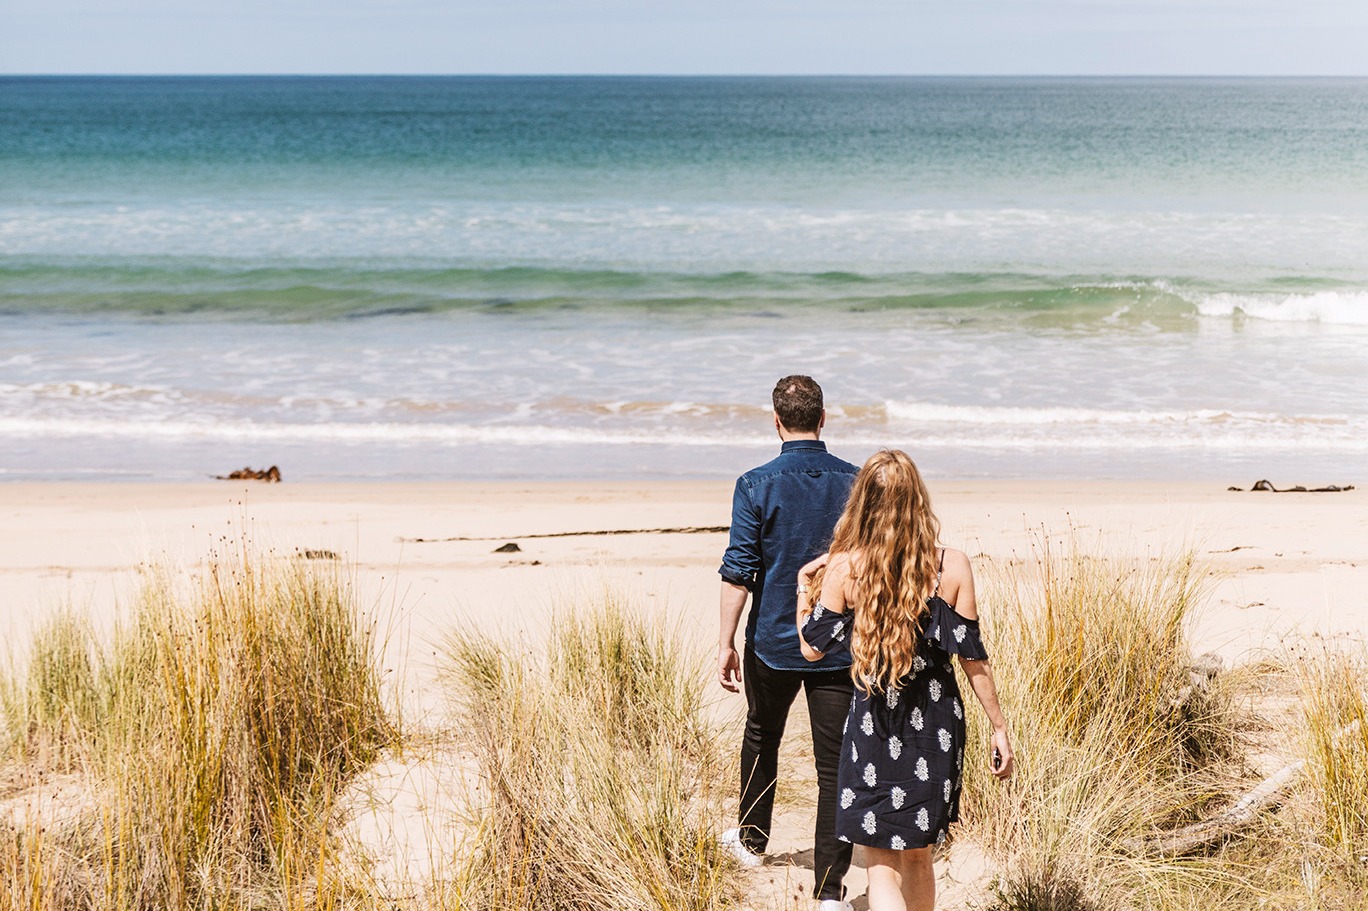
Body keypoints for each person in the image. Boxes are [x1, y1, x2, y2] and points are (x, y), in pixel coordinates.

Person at [796, 449, 1014, 911]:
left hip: (874, 725)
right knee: (919, 856)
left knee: (880, 863)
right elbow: (972, 658)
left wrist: (802, 584)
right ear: (918, 499)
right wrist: (999, 727)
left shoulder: (845, 568)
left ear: (862, 504)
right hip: (935, 725)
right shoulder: (950, 566)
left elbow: (811, 647)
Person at [717, 375, 860, 910]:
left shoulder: (756, 483)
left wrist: (725, 640)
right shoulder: (857, 482)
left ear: (776, 421)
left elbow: (739, 571)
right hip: (839, 642)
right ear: (824, 419)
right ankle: (829, 895)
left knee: (762, 734)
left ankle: (753, 843)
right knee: (834, 764)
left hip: (773, 639)